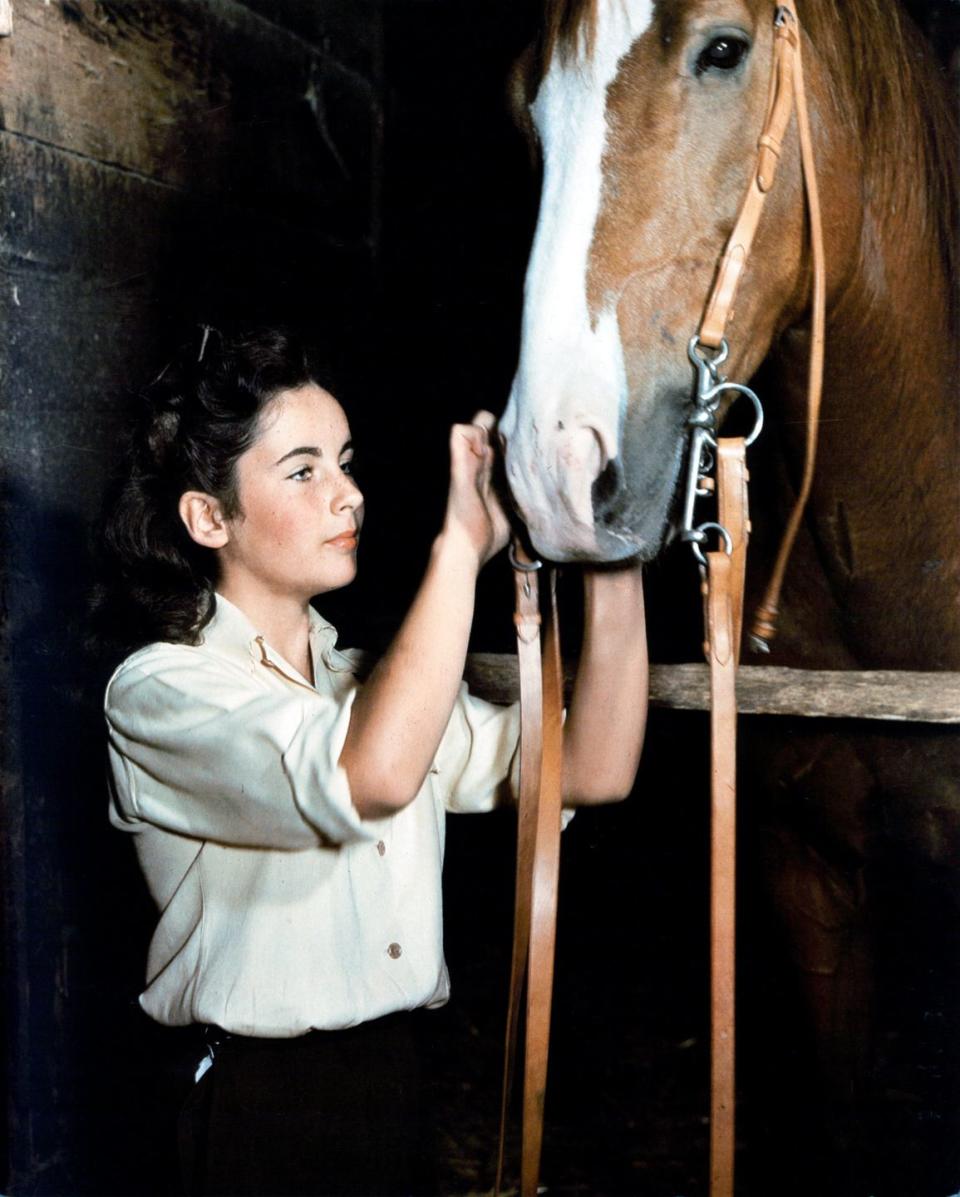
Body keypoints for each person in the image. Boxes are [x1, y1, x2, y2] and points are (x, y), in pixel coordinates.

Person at [100, 326, 648, 1196]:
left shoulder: (368, 685)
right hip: (258, 1110)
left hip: (396, 1085)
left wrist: (609, 541)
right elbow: (369, 773)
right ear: (208, 517)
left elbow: (592, 765)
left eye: (346, 463)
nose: (349, 494)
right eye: (304, 470)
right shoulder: (161, 692)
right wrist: (458, 548)